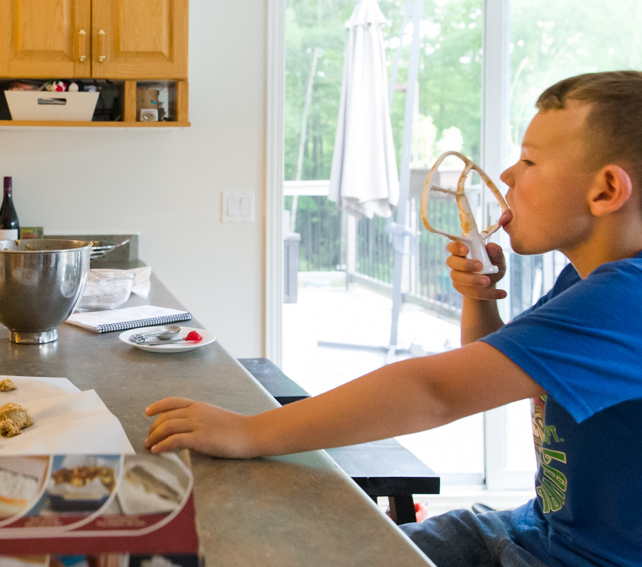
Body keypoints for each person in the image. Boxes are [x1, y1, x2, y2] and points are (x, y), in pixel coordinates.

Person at [145, 70, 642, 566]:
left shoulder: (625, 298)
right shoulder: (586, 281)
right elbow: (494, 372)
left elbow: (437, 392)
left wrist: (248, 432)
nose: (508, 176)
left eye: (530, 160)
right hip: (532, 529)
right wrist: (480, 297)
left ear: (606, 190)